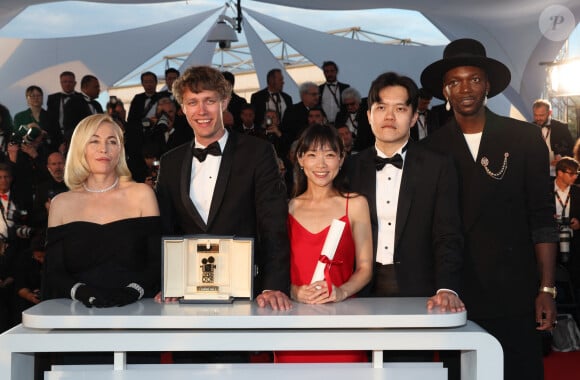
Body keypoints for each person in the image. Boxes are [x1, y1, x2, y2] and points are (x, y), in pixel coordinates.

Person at [421, 38, 558, 380]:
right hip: (457, 294)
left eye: (474, 79)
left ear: (488, 86)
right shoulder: (429, 149)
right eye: (455, 81)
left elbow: (542, 218)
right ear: (445, 90)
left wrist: (546, 288)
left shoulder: (524, 138)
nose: (465, 88)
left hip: (515, 290)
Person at [156, 66, 291, 311]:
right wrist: (166, 280)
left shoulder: (257, 153)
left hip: (247, 292)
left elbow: (273, 224)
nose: (201, 110)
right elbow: (165, 228)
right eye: (192, 102)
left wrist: (273, 285)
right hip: (186, 294)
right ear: (183, 108)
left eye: (209, 100)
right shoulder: (170, 162)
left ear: (225, 102)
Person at [275, 124, 372, 363]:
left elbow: (365, 267)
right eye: (312, 155)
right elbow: (275, 269)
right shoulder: (286, 209)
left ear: (341, 159)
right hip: (293, 325)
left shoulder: (356, 204)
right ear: (300, 159)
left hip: (343, 322)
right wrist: (294, 291)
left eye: (329, 155)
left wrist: (341, 292)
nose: (321, 164)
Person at [43, 114, 161, 307]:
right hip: (78, 316)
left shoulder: (142, 195)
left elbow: (156, 262)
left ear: (120, 150)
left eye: (112, 141)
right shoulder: (61, 204)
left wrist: (133, 291)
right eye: (94, 141)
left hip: (138, 313)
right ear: (80, 148)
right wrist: (82, 292)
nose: (103, 149)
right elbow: (54, 272)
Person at [532, 98, 574, 178]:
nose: (538, 118)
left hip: (557, 172)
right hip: (536, 170)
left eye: (541, 115)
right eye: (535, 115)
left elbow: (571, 148)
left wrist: (561, 157)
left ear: (550, 113)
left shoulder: (562, 127)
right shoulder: (530, 127)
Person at [46, 71, 78, 150]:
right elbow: (50, 118)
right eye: (65, 82)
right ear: (60, 83)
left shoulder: (80, 98)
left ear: (75, 83)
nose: (67, 84)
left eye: (70, 82)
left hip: (75, 135)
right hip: (56, 136)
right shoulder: (52, 98)